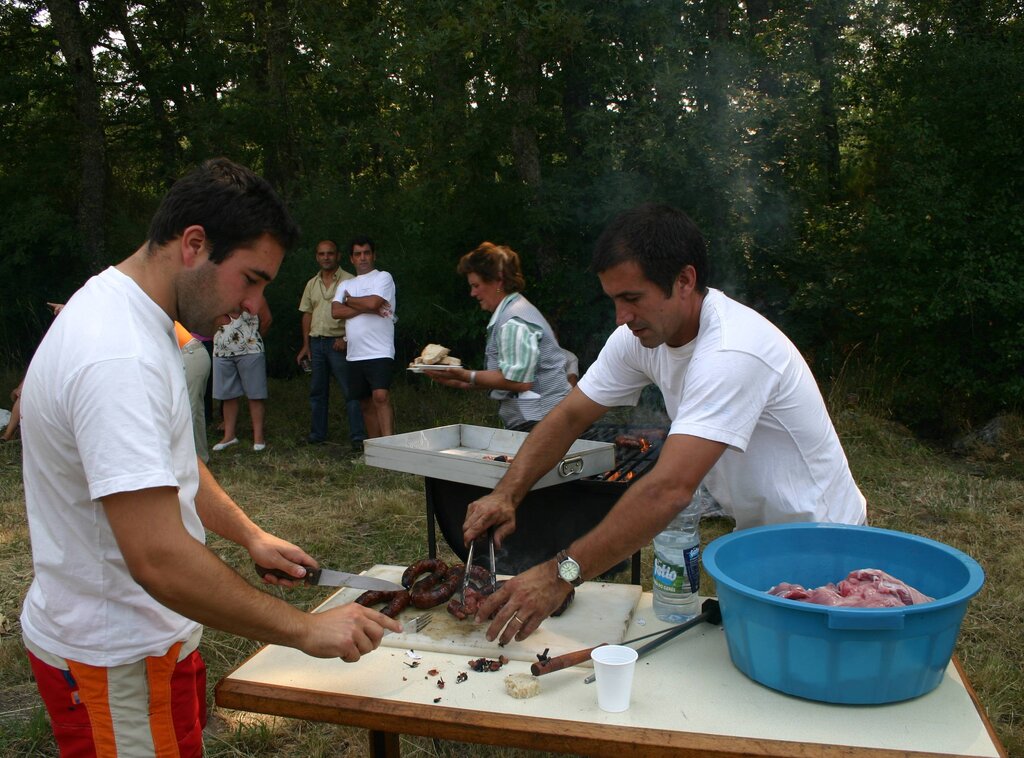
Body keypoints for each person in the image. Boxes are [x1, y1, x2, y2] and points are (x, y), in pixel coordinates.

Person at [18, 158, 400, 757]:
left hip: (149, 645)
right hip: (119, 660)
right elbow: (158, 559)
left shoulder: (135, 315)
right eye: (250, 278)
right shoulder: (117, 357)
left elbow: (167, 462)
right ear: (194, 244)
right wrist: (304, 629)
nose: (254, 305)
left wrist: (249, 535)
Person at [462, 203, 867, 645]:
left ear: (685, 281)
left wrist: (562, 573)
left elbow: (669, 489)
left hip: (827, 545)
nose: (621, 316)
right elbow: (571, 415)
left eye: (632, 298)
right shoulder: (639, 337)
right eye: (614, 299)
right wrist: (506, 493)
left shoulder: (732, 351)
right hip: (757, 541)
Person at [424, 242, 571, 432]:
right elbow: (510, 376)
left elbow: (520, 381)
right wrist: (463, 382)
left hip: (546, 422)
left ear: (498, 280)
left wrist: (468, 375)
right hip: (544, 420)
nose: (473, 293)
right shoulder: (511, 313)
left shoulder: (515, 320)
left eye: (476, 285)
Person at [296, 239, 368, 451]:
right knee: (317, 392)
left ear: (338, 256)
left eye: (330, 253)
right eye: (321, 254)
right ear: (317, 257)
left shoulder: (350, 281)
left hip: (339, 344)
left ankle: (358, 438)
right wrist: (305, 345)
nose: (326, 257)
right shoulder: (312, 283)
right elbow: (307, 313)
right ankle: (317, 434)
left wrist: (346, 338)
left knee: (351, 391)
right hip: (316, 343)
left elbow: (361, 312)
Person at [331, 236, 397, 438]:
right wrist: (366, 306)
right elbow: (335, 311)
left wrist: (350, 301)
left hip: (380, 350)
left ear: (373, 255)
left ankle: (389, 446)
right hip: (355, 353)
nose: (363, 258)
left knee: (380, 396)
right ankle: (375, 447)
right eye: (358, 254)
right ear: (351, 259)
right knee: (365, 401)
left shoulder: (383, 277)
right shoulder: (345, 284)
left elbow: (374, 303)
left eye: (366, 253)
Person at [212, 298, 272, 452]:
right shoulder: (216, 294)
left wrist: (252, 339)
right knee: (228, 395)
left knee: (255, 394)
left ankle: (258, 438)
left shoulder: (253, 293)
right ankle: (229, 436)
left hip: (251, 351)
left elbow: (266, 320)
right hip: (222, 351)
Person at [176, 321, 212, 462]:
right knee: (195, 413)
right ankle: (201, 458)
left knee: (188, 413)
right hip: (196, 353)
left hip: (189, 355)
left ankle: (189, 463)